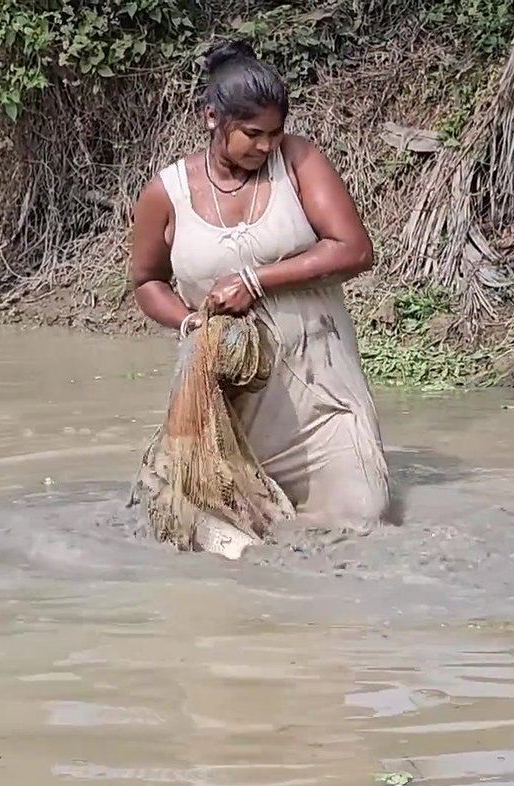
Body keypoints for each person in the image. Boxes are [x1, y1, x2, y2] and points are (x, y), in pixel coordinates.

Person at [126, 39, 394, 539]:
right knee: (220, 541)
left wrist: (256, 279)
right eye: (253, 134)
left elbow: (354, 249)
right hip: (226, 403)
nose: (266, 146)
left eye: (275, 133)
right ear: (212, 118)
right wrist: (189, 323)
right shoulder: (167, 193)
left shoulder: (297, 161)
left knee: (361, 519)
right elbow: (146, 282)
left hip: (320, 391)